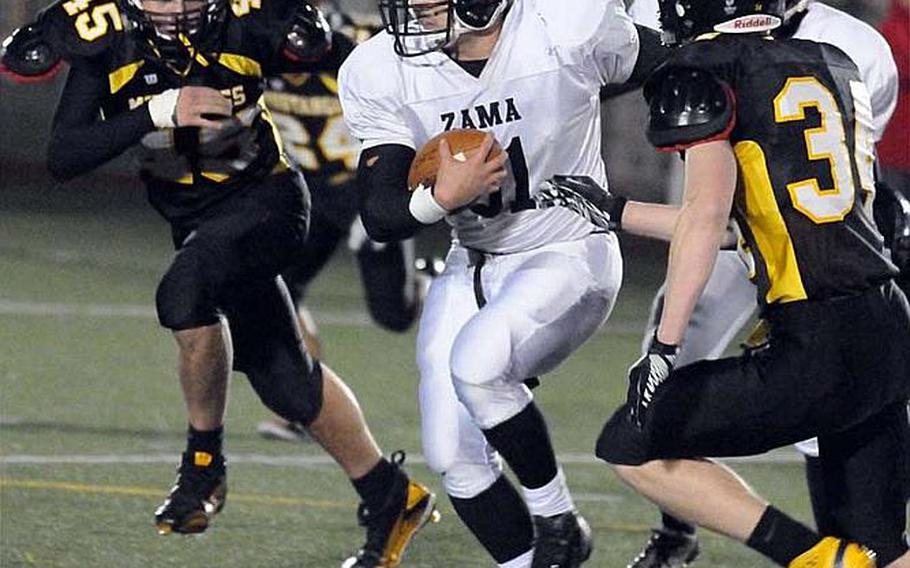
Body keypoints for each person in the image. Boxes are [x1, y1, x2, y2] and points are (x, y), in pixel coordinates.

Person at [0, 2, 436, 566]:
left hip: (270, 203)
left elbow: (351, 62)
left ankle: (202, 466)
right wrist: (157, 111)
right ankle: (391, 496)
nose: (176, 6)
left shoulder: (250, 18)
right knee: (286, 382)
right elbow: (64, 155)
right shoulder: (104, 36)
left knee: (182, 294)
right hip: (194, 220)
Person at [338, 1, 667, 566]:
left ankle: (559, 521)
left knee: (479, 363)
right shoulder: (380, 67)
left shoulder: (562, 27)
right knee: (452, 455)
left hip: (568, 247)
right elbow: (381, 214)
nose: (418, 9)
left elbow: (674, 60)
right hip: (474, 261)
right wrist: (441, 198)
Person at [585, 0, 910, 565]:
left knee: (629, 444)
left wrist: (665, 347)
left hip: (813, 336)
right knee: (881, 550)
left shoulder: (699, 70)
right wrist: (615, 210)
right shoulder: (834, 58)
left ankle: (810, 557)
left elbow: (706, 220)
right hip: (886, 321)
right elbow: (759, 220)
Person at [257, 2, 425, 443]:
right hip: (304, 187)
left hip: (367, 186)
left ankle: (428, 287)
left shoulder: (368, 39)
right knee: (272, 289)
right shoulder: (255, 38)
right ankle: (303, 402)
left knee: (393, 315)